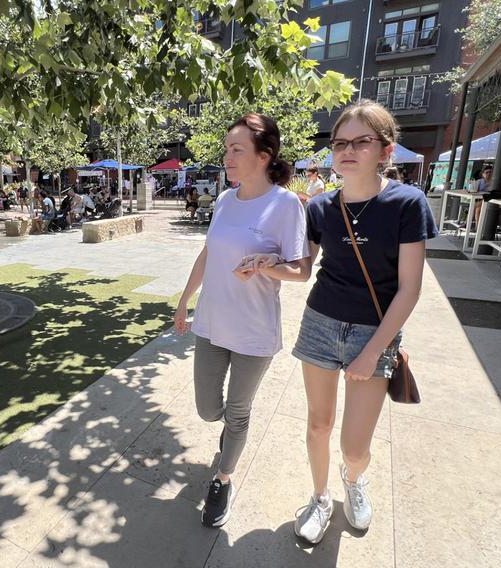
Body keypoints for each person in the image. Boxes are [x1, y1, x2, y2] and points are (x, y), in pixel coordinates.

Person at [291, 100, 437, 544]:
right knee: (318, 424)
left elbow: (409, 288)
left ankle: (353, 481)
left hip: (374, 334)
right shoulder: (320, 209)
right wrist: (264, 261)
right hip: (320, 322)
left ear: (385, 150)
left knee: (355, 447)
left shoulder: (407, 203)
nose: (347, 150)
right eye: (339, 143)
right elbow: (301, 270)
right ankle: (319, 497)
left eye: (361, 141)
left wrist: (373, 350)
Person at [174, 113, 310, 528]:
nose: (227, 157)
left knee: (237, 412)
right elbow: (207, 254)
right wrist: (184, 303)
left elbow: (302, 270)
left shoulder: (285, 205)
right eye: (227, 149)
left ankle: (223, 478)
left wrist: (269, 265)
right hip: (213, 324)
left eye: (236, 150)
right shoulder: (224, 200)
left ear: (263, 156)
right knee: (206, 409)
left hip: (253, 331)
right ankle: (228, 444)